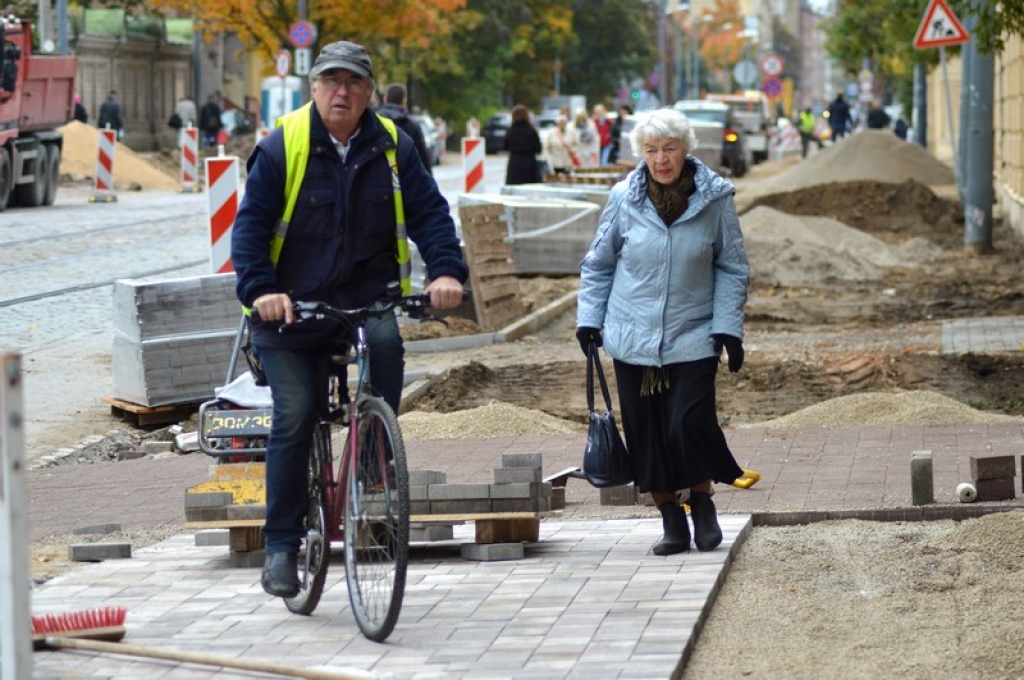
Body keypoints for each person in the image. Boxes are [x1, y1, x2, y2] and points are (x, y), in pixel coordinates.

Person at [231, 40, 468, 598]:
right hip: (289, 310)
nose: (343, 92)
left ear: (370, 92)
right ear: (314, 87)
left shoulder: (393, 146)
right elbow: (250, 231)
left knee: (385, 344)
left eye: (354, 82)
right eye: (332, 81)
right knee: (295, 414)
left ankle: (371, 456)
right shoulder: (282, 146)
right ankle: (282, 546)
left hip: (366, 297)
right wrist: (262, 290)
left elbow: (431, 214)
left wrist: (445, 271)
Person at [576, 108, 749, 557]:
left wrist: (728, 329)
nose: (661, 159)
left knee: (688, 421)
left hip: (693, 333)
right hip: (632, 336)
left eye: (669, 148)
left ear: (686, 149)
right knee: (647, 432)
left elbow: (731, 267)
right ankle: (671, 517)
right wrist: (589, 319)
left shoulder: (714, 199)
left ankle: (702, 503)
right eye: (651, 150)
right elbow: (598, 264)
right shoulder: (623, 198)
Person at [376, 83, 432, 174]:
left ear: (385, 99)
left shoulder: (375, 122)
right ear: (404, 101)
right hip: (406, 177)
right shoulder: (412, 125)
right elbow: (423, 159)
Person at [503, 104, 542, 185]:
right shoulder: (531, 130)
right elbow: (538, 148)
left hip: (515, 162)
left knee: (514, 187)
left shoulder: (510, 131)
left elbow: (505, 147)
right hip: (529, 162)